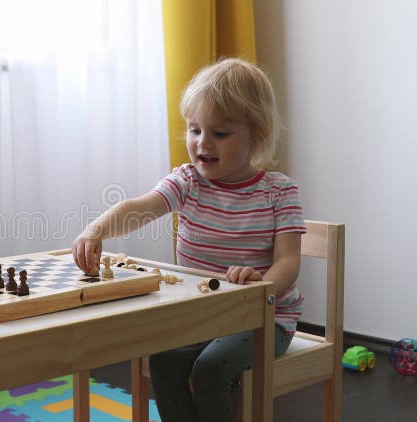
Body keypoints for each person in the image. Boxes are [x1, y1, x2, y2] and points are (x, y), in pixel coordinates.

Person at [72, 58, 305, 421]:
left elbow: (289, 260)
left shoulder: (279, 191)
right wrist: (96, 229)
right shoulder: (187, 181)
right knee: (164, 359)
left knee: (211, 368)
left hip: (264, 317)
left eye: (220, 133)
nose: (202, 143)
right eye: (195, 130)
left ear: (256, 135)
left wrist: (263, 284)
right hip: (202, 314)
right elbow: (140, 208)